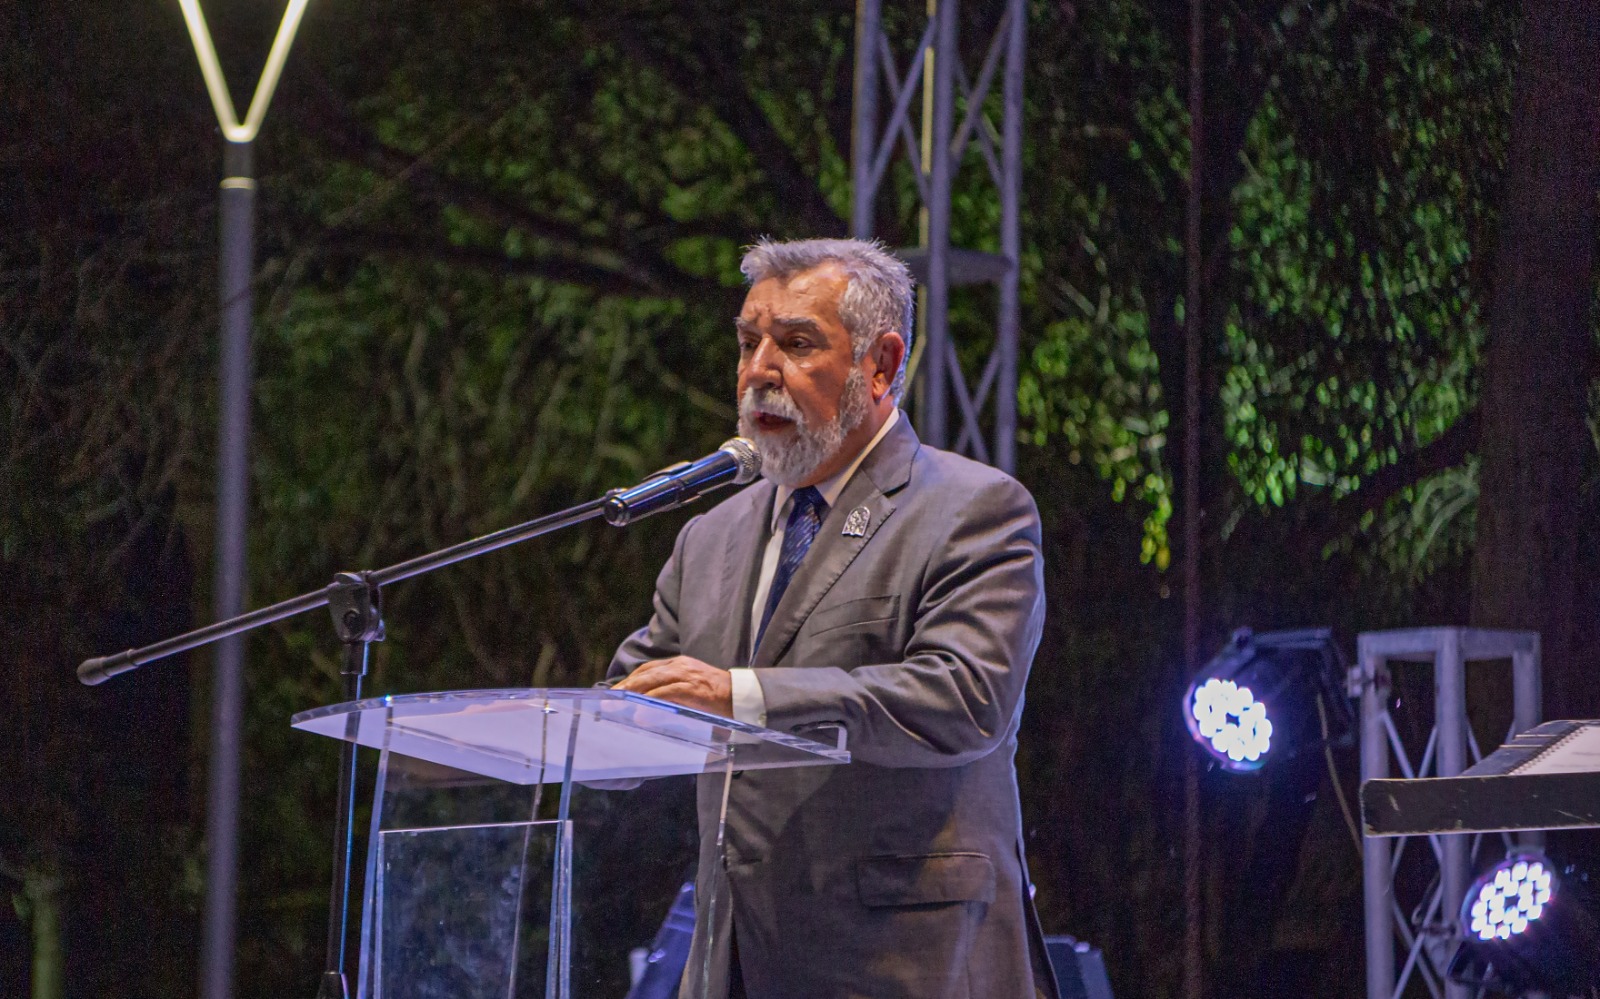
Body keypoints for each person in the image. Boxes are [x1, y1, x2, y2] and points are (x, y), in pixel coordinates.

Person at [608, 237, 1056, 999]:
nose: (758, 370)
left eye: (795, 343)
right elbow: (630, 705)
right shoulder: (708, 538)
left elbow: (963, 700)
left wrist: (742, 697)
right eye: (748, 342)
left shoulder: (974, 510)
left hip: (905, 966)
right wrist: (541, 733)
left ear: (880, 364)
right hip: (733, 966)